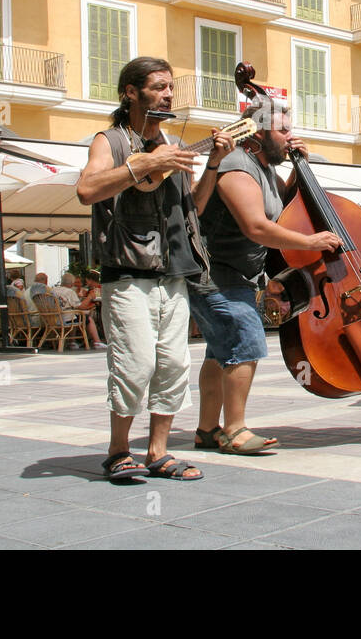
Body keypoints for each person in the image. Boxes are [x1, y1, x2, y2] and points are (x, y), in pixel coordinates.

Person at [76, 56, 231, 482]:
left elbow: (192, 211)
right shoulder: (109, 141)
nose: (168, 94)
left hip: (174, 274)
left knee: (173, 366)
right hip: (128, 273)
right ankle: (117, 451)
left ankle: (158, 453)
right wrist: (144, 164)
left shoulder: (173, 146)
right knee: (135, 364)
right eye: (160, 86)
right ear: (131, 92)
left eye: (170, 88)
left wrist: (214, 163)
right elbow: (87, 190)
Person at [189, 96, 341, 454]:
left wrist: (297, 167)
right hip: (217, 276)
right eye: (283, 130)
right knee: (246, 343)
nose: (290, 136)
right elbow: (256, 226)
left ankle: (207, 430)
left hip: (236, 277)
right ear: (255, 132)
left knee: (219, 353)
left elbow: (279, 211)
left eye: (292, 130)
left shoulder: (266, 170)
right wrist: (310, 240)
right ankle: (235, 431)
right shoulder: (235, 165)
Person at [54, 270, 104, 348]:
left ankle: (72, 342)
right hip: (65, 318)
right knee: (88, 319)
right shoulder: (70, 292)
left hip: (53, 318)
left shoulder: (53, 290)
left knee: (75, 315)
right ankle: (97, 341)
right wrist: (90, 297)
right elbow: (80, 307)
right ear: (71, 283)